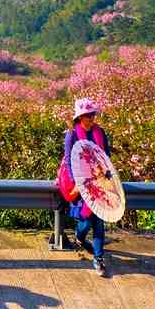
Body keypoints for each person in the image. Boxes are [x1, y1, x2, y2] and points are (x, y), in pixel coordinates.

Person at [63, 97, 112, 277]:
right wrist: (76, 182)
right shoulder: (72, 135)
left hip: (98, 181)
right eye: (88, 115)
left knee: (99, 220)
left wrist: (106, 175)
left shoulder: (100, 132)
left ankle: (99, 258)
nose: (92, 118)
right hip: (81, 180)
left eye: (93, 114)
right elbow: (69, 160)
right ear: (80, 117)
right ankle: (80, 237)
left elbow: (106, 156)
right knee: (85, 219)